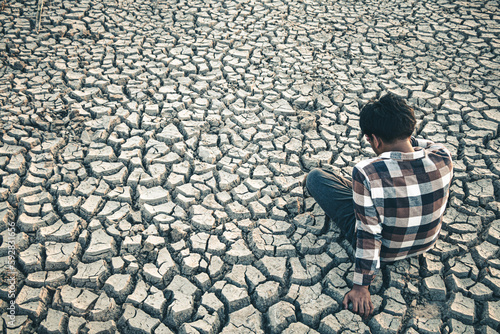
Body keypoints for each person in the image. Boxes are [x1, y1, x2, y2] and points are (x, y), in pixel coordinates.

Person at [305, 93, 453, 318]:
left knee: (317, 177)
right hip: (426, 242)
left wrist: (361, 287)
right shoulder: (443, 155)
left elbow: (369, 233)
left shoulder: (367, 172)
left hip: (387, 250)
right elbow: (422, 145)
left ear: (375, 140)